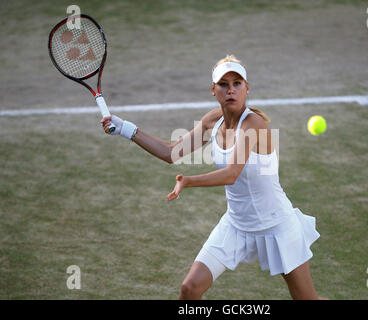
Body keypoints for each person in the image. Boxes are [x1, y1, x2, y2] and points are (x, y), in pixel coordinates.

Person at [101, 55, 324, 300]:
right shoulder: (212, 121)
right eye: (223, 84)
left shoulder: (254, 123)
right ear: (213, 90)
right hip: (236, 225)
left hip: (277, 225)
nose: (231, 90)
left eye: (237, 83)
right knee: (189, 289)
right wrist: (124, 128)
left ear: (247, 88)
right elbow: (170, 152)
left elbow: (231, 174)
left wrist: (188, 181)